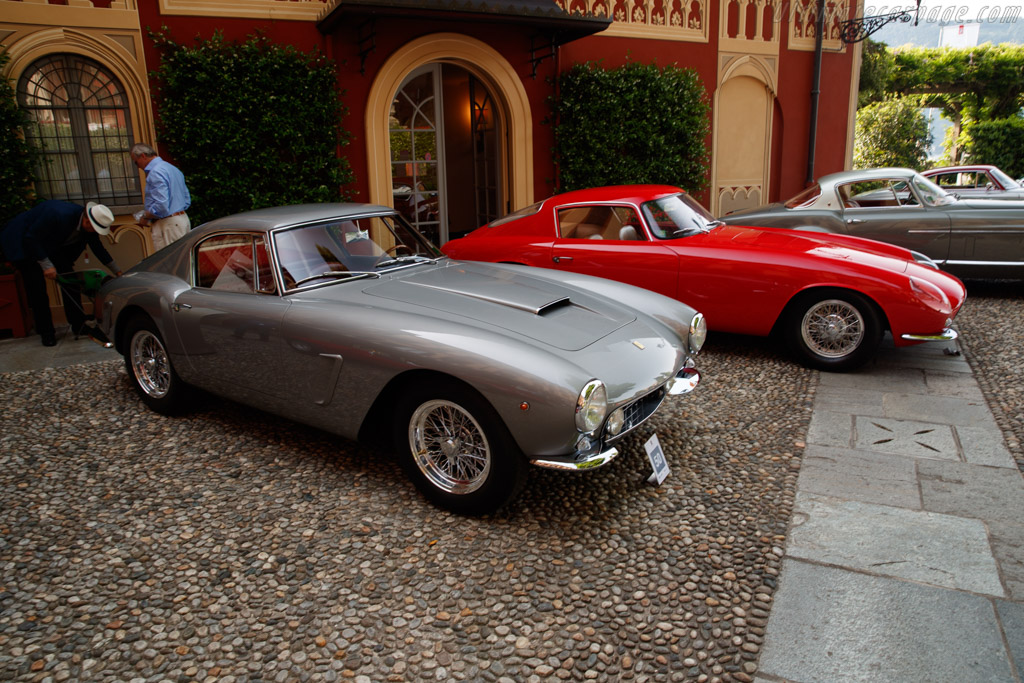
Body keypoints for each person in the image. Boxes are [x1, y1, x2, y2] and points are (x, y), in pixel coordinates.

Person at [1, 201, 122, 346]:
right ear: (87, 221)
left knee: (71, 280)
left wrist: (117, 271)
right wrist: (47, 266)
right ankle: (46, 332)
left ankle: (78, 324)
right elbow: (31, 238)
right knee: (37, 288)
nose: (96, 232)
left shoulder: (89, 227)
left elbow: (98, 248)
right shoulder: (58, 215)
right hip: (25, 244)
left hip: (51, 245)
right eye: (95, 228)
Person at [130, 142, 191, 251]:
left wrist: (146, 216)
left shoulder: (155, 172)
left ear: (143, 156)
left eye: (136, 162)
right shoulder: (173, 169)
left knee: (170, 263)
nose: (137, 166)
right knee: (182, 261)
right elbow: (186, 199)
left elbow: (161, 206)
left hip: (168, 224)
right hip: (181, 219)